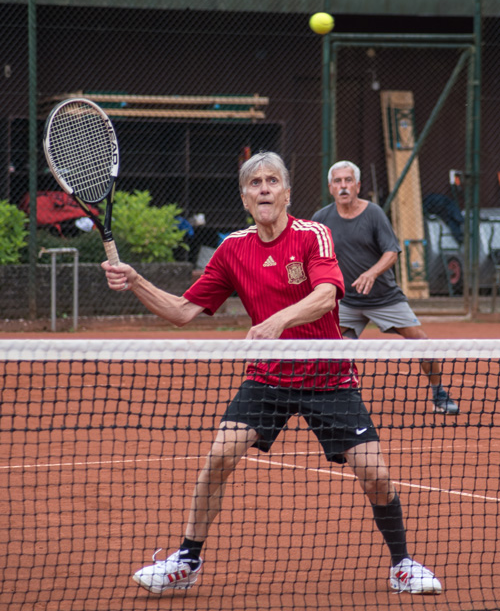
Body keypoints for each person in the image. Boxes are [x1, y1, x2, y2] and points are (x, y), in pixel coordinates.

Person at [102, 152, 442, 595]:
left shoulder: (313, 235)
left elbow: (325, 296)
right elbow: (183, 311)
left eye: (271, 181)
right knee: (219, 458)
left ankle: (402, 564)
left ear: (285, 192)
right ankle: (186, 560)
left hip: (328, 377)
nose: (263, 188)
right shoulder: (232, 249)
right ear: (245, 198)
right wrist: (137, 282)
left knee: (375, 475)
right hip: (268, 379)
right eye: (254, 183)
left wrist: (278, 321)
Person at [312, 160, 458, 415]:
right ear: (330, 187)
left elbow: (392, 251)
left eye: (348, 181)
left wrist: (372, 272)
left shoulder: (374, 214)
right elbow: (311, 255)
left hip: (384, 298)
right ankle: (340, 397)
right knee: (337, 348)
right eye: (338, 181)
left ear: (358, 186)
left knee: (422, 342)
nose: (343, 186)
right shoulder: (321, 219)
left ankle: (439, 393)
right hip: (346, 301)